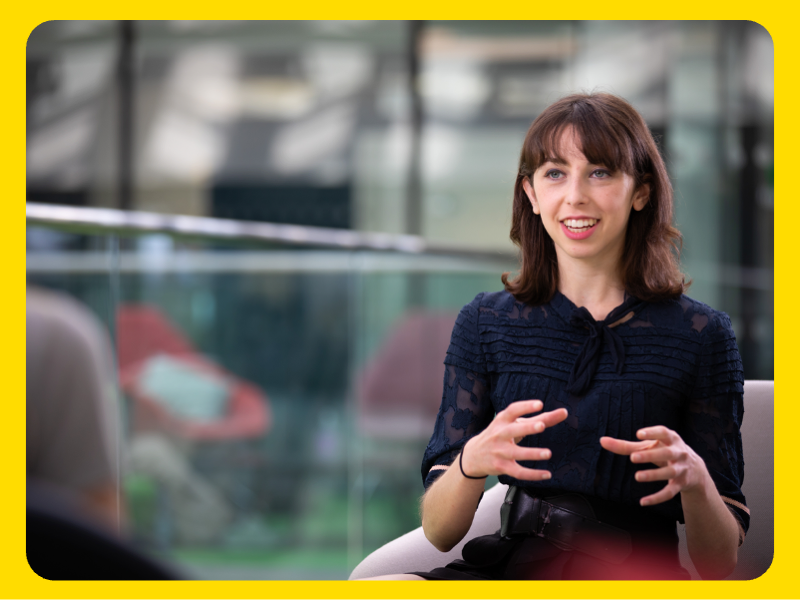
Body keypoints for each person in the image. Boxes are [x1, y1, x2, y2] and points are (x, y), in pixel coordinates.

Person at [364, 92, 747, 580]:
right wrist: (473, 460)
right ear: (531, 193)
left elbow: (720, 566)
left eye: (601, 172)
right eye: (554, 173)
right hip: (511, 567)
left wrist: (696, 482)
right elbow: (439, 532)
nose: (575, 196)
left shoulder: (703, 335)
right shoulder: (485, 322)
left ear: (641, 192)